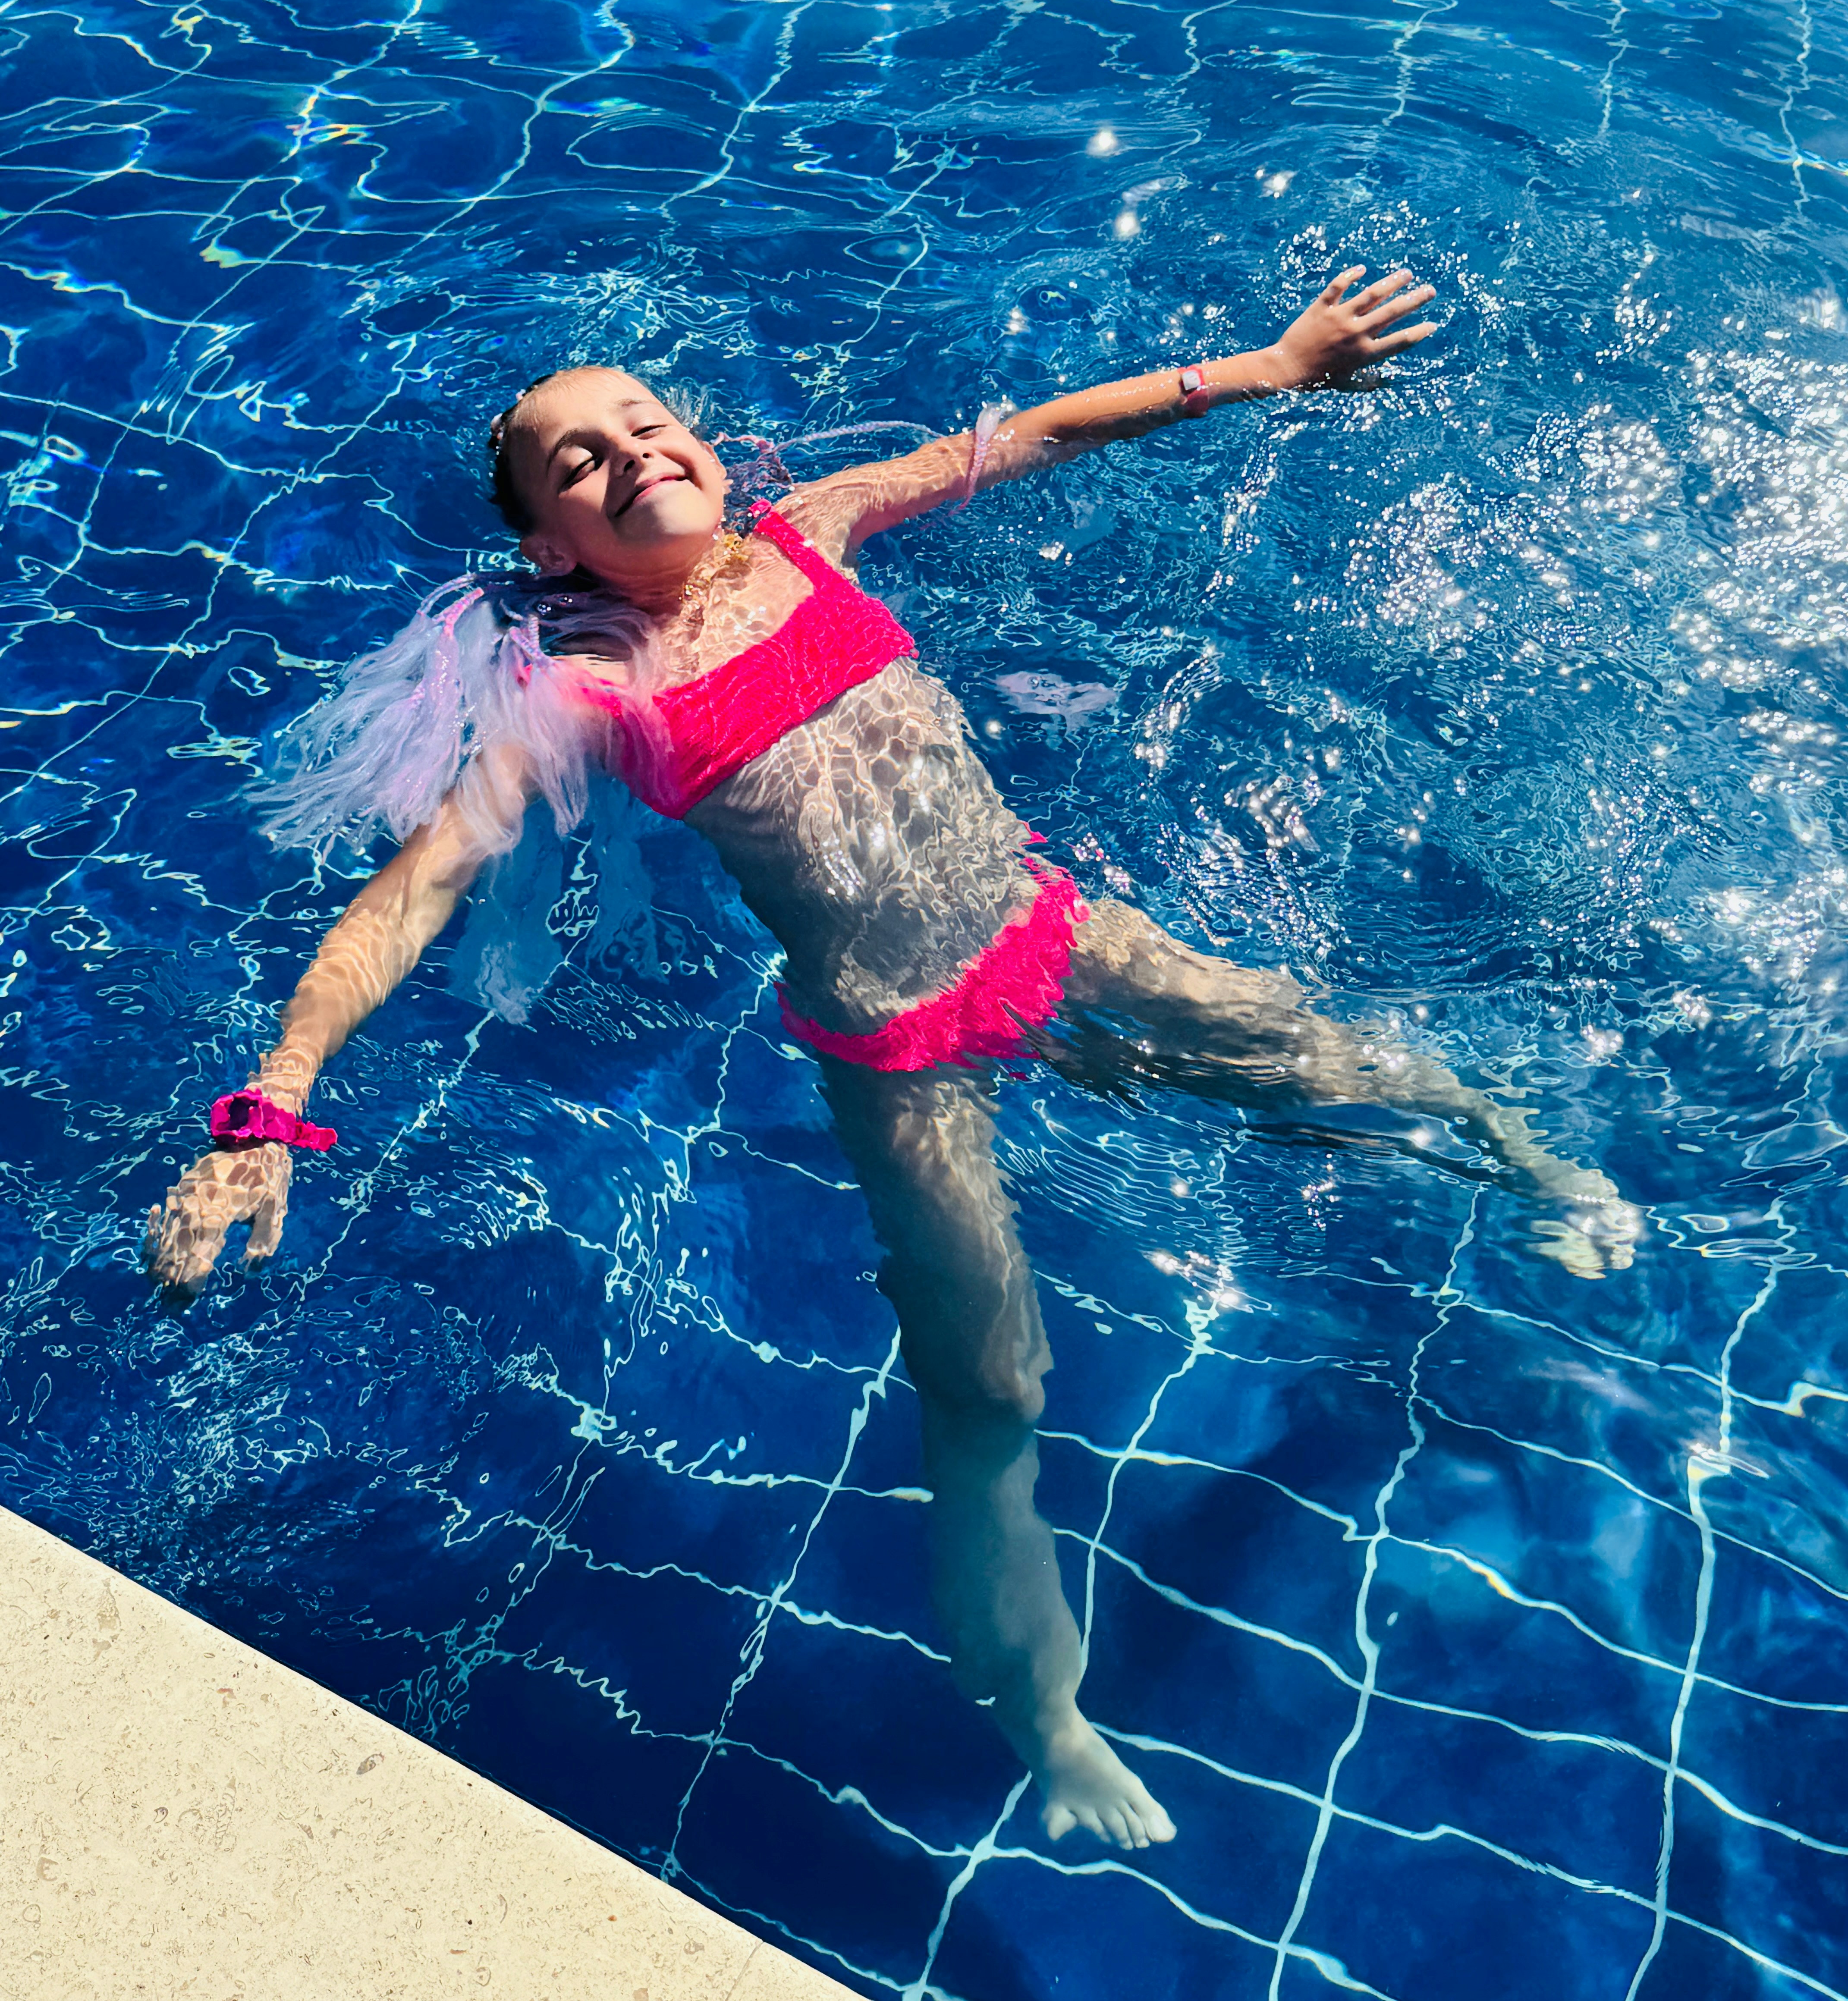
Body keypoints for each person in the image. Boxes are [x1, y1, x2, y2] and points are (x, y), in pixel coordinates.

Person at [146, 267, 1635, 1851]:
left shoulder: (813, 530)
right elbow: (420, 885)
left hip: (1050, 928)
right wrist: (276, 1099)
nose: (628, 448)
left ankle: (1535, 1164)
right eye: (578, 458)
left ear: (704, 450)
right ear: (550, 548)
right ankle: (1047, 1723)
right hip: (899, 1053)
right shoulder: (586, 694)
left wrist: (1270, 365)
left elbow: (1035, 435)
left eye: (643, 420)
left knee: (1324, 1056)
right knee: (987, 1382)